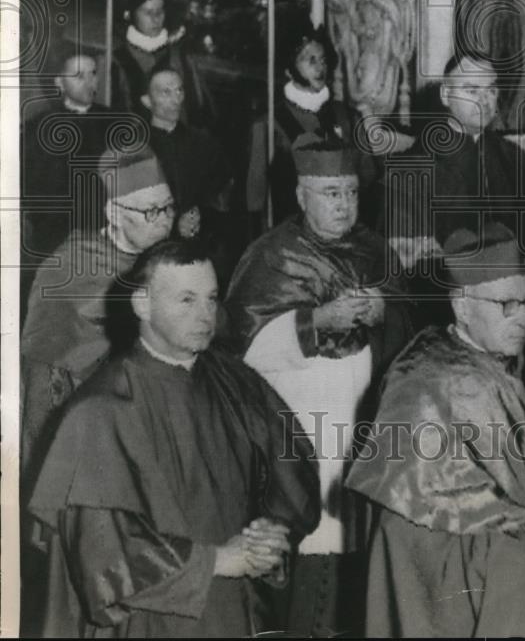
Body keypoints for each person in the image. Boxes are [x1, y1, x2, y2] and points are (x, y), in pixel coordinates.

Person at [26, 239, 321, 638]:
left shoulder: (238, 383)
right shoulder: (97, 411)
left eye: (211, 299)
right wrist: (215, 560)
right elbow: (103, 553)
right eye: (186, 300)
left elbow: (290, 473)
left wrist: (272, 532)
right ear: (142, 305)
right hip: (147, 618)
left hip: (234, 607)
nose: (205, 315)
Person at [346, 225, 525, 638]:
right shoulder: (424, 384)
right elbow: (411, 538)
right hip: (481, 596)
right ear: (462, 307)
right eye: (506, 304)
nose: (523, 316)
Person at [226, 137, 414, 637]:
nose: (343, 204)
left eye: (350, 192)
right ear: (300, 194)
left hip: (364, 410)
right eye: (330, 193)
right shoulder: (271, 255)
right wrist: (316, 321)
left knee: (358, 541)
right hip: (299, 413)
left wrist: (384, 315)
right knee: (309, 545)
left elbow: (412, 328)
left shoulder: (376, 249)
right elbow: (243, 348)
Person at [21, 144, 175, 483]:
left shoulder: (172, 261)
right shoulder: (69, 271)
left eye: (168, 208)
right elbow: (44, 382)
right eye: (151, 212)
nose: (164, 221)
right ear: (115, 214)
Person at [388, 54, 525, 267]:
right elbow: (409, 256)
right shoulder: (413, 167)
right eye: (472, 90)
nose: (484, 101)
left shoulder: (512, 156)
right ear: (445, 95)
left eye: (491, 90)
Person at [246, 21, 375, 228]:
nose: (320, 67)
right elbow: (255, 200)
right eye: (310, 60)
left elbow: (368, 179)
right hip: (292, 239)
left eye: (323, 60)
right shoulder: (268, 125)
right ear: (289, 69)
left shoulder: (349, 117)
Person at [21, 44, 110, 269]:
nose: (90, 82)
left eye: (93, 74)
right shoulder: (39, 128)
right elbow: (30, 188)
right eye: (79, 76)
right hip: (55, 240)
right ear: (59, 82)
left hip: (105, 235)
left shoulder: (112, 122)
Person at [143, 68, 234, 268]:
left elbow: (222, 193)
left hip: (198, 249)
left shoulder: (203, 142)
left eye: (179, 91)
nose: (176, 99)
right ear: (147, 101)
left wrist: (199, 214)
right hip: (149, 255)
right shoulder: (136, 147)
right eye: (165, 93)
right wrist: (174, 223)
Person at [112, 0, 213, 127]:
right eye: (148, 12)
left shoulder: (181, 59)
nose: (156, 19)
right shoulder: (116, 62)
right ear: (131, 14)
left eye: (160, 12)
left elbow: (201, 115)